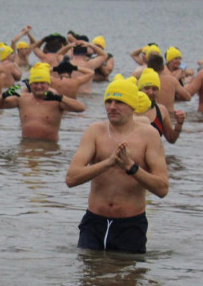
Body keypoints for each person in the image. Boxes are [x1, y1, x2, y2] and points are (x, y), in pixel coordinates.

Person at [65, 76, 168, 254]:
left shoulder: (149, 136)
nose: (112, 107)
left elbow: (162, 188)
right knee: (89, 279)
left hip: (130, 225)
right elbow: (71, 178)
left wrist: (132, 168)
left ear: (132, 105)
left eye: (119, 101)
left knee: (126, 279)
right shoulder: (95, 132)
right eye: (109, 101)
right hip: (93, 223)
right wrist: (109, 162)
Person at [0, 62, 85, 141]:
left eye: (42, 83)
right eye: (35, 83)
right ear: (30, 85)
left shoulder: (56, 101)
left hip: (49, 149)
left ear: (48, 84)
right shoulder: (22, 99)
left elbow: (81, 108)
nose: (39, 86)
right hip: (26, 147)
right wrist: (4, 95)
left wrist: (60, 98)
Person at [136, 69, 184, 144]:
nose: (150, 92)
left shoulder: (161, 110)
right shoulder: (130, 109)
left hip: (155, 154)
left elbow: (171, 139)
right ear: (139, 89)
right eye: (146, 88)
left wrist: (179, 124)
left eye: (154, 89)